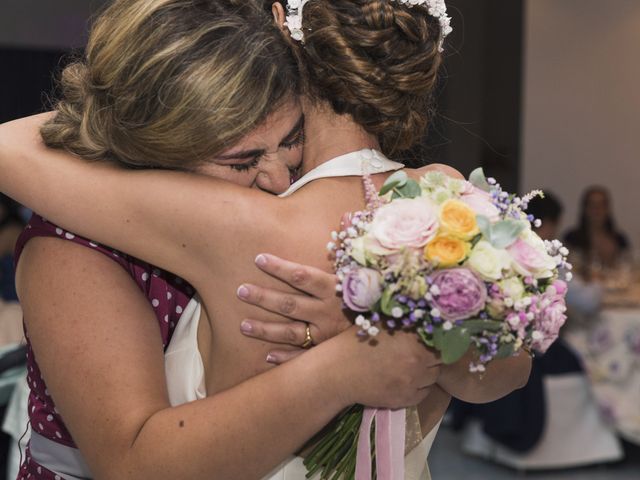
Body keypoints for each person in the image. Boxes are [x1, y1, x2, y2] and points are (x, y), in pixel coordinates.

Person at [0, 0, 531, 478]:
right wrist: (348, 365)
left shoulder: (292, 213)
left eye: (292, 139)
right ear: (161, 141)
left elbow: (507, 368)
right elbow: (132, 461)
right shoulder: (71, 247)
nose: (279, 179)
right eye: (243, 159)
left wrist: (400, 324)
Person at [564, 186, 630, 275]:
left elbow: (628, 268)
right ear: (585, 209)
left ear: (607, 209)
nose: (597, 209)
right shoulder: (572, 238)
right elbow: (566, 270)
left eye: (601, 205)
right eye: (592, 204)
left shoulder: (619, 239)